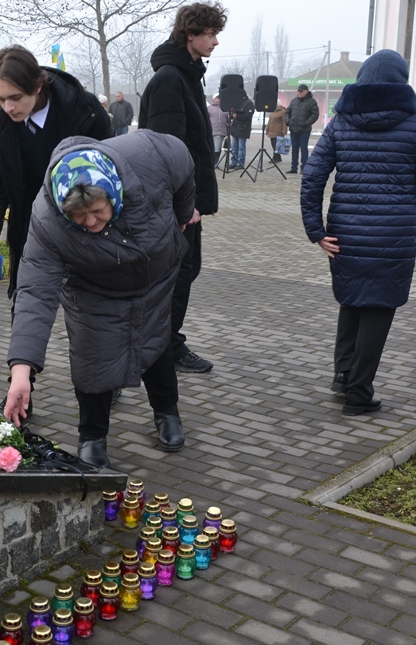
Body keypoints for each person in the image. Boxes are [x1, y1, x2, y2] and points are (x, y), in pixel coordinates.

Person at [2, 130, 196, 467]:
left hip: (154, 277)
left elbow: (184, 166)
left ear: (113, 191)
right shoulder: (48, 220)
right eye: (78, 217)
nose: (90, 222)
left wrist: (184, 213)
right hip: (93, 287)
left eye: (96, 210)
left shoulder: (150, 154)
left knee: (156, 342)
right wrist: (22, 371)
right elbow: (35, 292)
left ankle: (167, 413)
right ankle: (92, 435)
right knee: (92, 358)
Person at [300, 49, 416, 416]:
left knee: (352, 301)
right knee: (377, 309)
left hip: (344, 234)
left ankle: (343, 376)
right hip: (394, 236)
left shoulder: (340, 122)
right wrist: (408, 218)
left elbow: (312, 178)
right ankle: (359, 394)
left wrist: (316, 230)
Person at [0, 45, 110, 298]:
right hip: (29, 230)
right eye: (1, 99)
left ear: (37, 86)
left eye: (15, 98)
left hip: (86, 228)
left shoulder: (83, 110)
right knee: (26, 311)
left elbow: (114, 172)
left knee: (90, 317)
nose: (8, 108)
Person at [137, 1, 226, 374]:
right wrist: (182, 203)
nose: (216, 42)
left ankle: (165, 343)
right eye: (210, 34)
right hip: (176, 204)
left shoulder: (187, 75)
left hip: (189, 202)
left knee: (186, 272)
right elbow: (167, 149)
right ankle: (160, 349)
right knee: (174, 276)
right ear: (191, 34)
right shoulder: (170, 80)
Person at [286, 84, 319, 174]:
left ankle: (304, 168)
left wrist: (306, 123)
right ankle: (293, 167)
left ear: (306, 92)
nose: (299, 92)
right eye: (298, 91)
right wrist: (288, 121)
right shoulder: (294, 101)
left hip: (304, 130)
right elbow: (287, 112)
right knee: (294, 149)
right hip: (293, 129)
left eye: (301, 91)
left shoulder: (312, 102)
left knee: (304, 149)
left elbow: (315, 115)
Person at [228, 94, 254, 169]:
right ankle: (234, 162)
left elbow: (248, 116)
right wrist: (231, 115)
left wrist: (238, 116)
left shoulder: (249, 104)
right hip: (235, 128)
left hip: (243, 129)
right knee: (234, 147)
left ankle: (241, 163)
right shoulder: (237, 102)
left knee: (241, 147)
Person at [207, 93, 227, 163]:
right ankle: (212, 161)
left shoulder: (225, 108)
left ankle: (216, 162)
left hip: (221, 131)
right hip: (212, 131)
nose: (218, 100)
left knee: (218, 149)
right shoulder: (209, 108)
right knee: (212, 148)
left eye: (220, 98)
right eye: (217, 98)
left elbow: (228, 118)